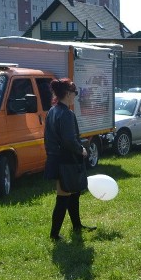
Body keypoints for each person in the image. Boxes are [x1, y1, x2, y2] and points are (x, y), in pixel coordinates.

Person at [44, 78, 94, 240]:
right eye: (75, 92)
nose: (76, 96)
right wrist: (82, 150)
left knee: (74, 192)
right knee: (64, 195)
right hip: (66, 160)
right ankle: (54, 234)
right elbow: (68, 140)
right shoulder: (65, 113)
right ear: (67, 94)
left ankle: (77, 225)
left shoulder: (53, 110)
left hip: (57, 158)